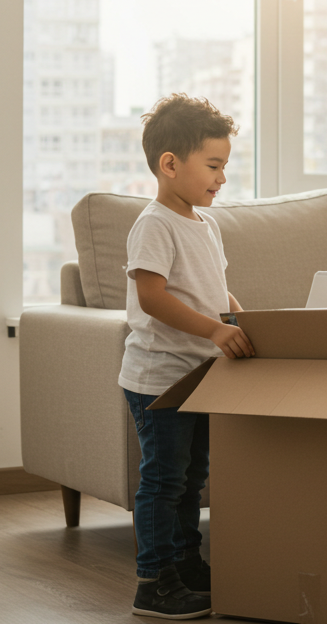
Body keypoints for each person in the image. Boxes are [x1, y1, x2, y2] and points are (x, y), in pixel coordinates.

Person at [119, 93, 253, 619]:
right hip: (158, 377)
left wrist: (241, 323)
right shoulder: (154, 224)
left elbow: (218, 292)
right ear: (170, 165)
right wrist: (215, 333)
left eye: (226, 166)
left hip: (200, 376)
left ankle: (186, 563)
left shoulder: (206, 224)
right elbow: (152, 299)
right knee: (163, 479)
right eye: (214, 166)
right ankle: (153, 581)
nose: (222, 178)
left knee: (193, 477)